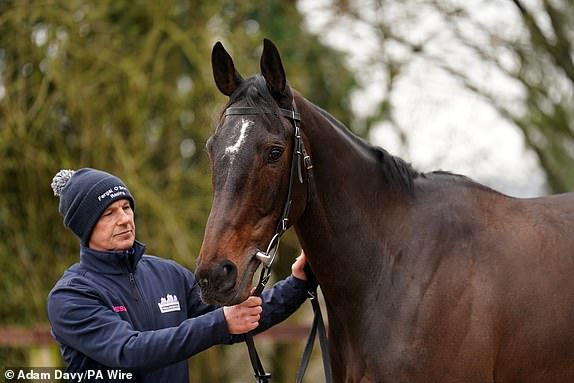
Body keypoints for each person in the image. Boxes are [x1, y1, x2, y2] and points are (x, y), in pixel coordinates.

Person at [47, 168, 311, 382]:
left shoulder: (168, 273)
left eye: (126, 207)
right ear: (85, 227)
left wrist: (299, 283)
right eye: (109, 213)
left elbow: (237, 318)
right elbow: (129, 351)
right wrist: (221, 322)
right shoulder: (71, 296)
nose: (125, 219)